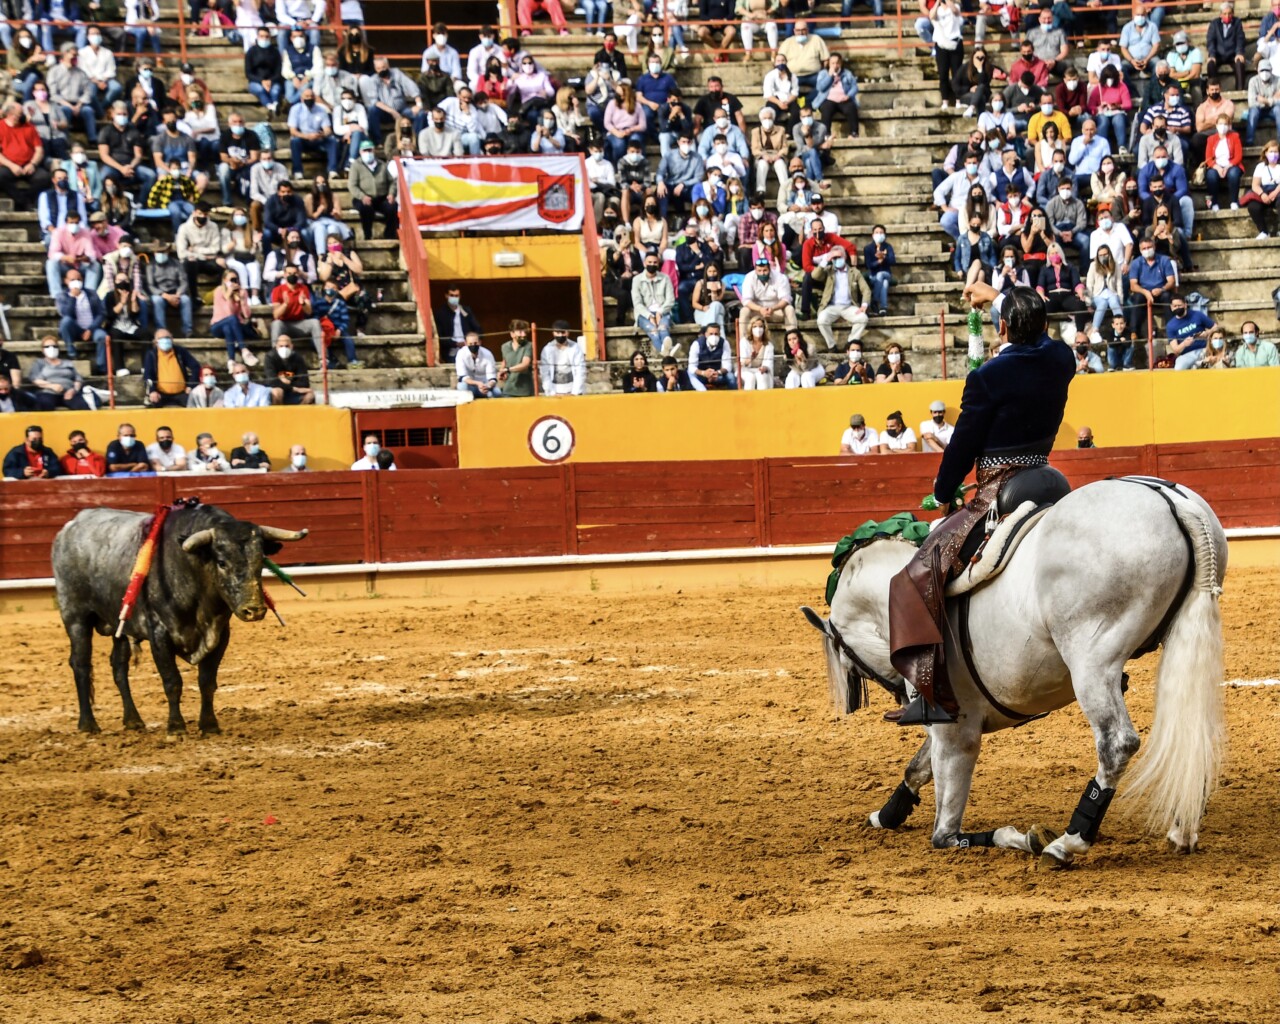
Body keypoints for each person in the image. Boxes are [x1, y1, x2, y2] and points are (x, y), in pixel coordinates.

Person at [888, 285, 1073, 724]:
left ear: (1003, 326)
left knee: (914, 576)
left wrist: (942, 488)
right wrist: (1001, 299)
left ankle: (932, 690)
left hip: (999, 488)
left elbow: (964, 445)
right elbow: (1038, 338)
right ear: (1045, 326)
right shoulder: (1062, 358)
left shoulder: (987, 376)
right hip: (1049, 480)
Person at [0, 100, 54, 211]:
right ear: (11, 115)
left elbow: (39, 150)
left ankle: (25, 201)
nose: (24, 116)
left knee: (44, 177)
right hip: (8, 165)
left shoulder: (29, 127)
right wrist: (12, 166)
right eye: (20, 114)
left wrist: (32, 164)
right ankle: (24, 203)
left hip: (29, 164)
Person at [815, 247, 871, 351]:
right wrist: (826, 260)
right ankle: (831, 345)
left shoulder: (854, 272)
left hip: (849, 306)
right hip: (831, 306)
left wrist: (864, 305)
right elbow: (815, 276)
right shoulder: (828, 270)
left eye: (839, 257)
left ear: (845, 257)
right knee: (821, 320)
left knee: (863, 318)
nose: (837, 260)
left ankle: (850, 343)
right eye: (834, 257)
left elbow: (866, 290)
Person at [348, 140, 399, 240]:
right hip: (363, 197)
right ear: (360, 152)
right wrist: (362, 196)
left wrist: (391, 193)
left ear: (374, 151)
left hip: (381, 197)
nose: (368, 153)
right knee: (365, 209)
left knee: (392, 207)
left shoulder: (382, 165)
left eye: (369, 150)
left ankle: (389, 234)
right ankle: (368, 235)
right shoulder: (356, 166)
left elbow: (392, 182)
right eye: (365, 150)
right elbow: (352, 185)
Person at [270, 265, 323, 360]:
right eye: (289, 273)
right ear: (285, 275)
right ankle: (275, 358)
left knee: (314, 322)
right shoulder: (277, 290)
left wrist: (303, 303)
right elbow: (276, 314)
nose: (292, 275)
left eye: (294, 273)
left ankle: (323, 359)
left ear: (298, 274)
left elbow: (309, 312)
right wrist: (285, 304)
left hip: (300, 324)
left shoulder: (303, 289)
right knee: (276, 324)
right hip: (284, 324)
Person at [145, 240, 193, 339]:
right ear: (154, 253)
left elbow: (183, 281)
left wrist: (178, 294)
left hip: (176, 292)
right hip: (160, 294)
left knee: (186, 300)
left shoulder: (176, 263)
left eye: (162, 252)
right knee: (157, 301)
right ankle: (161, 330)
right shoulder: (150, 266)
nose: (160, 254)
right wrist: (165, 296)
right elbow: (150, 285)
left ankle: (187, 330)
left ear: (167, 252)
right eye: (158, 252)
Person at [740, 255, 797, 338]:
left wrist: (773, 308)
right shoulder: (749, 277)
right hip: (757, 311)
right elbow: (746, 300)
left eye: (765, 270)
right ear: (755, 270)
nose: (762, 273)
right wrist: (760, 309)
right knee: (744, 311)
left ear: (769, 269)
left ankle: (793, 340)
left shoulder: (780, 277)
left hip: (775, 311)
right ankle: (744, 343)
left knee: (790, 309)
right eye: (759, 271)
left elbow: (786, 299)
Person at [632, 252, 676, 355]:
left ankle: (665, 353)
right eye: (649, 262)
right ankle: (667, 354)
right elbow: (637, 303)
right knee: (653, 331)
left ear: (658, 264)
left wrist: (660, 312)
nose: (652, 264)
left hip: (663, 311)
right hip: (644, 314)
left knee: (663, 328)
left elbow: (670, 300)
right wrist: (650, 316)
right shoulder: (637, 280)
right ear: (644, 263)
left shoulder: (665, 278)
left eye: (655, 262)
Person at [142, 331, 200, 407]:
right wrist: (152, 391)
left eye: (167, 337)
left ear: (172, 339)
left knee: (194, 404)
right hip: (160, 394)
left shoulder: (180, 351)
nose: (165, 340)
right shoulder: (151, 354)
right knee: (151, 404)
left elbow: (196, 367)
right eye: (161, 338)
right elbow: (148, 375)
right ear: (156, 341)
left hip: (182, 393)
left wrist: (190, 386)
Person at [1202, 113, 1243, 211]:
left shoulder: (1235, 136)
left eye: (1225, 124)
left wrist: (1228, 166)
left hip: (1231, 164)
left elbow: (1238, 156)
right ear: (1216, 125)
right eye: (1220, 124)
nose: (1222, 126)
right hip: (1216, 165)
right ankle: (1214, 203)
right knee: (1211, 176)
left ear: (1229, 126)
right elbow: (1208, 158)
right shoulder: (1211, 139)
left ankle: (1233, 201)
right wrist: (1217, 167)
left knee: (1233, 174)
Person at [1165, 294, 1214, 370]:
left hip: (1204, 349)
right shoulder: (1170, 325)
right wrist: (1184, 344)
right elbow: (1176, 350)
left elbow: (1216, 327)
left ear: (1185, 305)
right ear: (1171, 307)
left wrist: (1207, 333)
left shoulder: (1197, 315)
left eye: (1179, 305)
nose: (1177, 308)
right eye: (1175, 306)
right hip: (1186, 355)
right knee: (1178, 369)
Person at [1206, 2, 1246, 91]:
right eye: (1224, 14)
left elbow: (1240, 38)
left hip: (1232, 54)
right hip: (1218, 55)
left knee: (1240, 63)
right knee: (1210, 64)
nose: (1227, 16)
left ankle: (1240, 90)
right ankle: (1213, 89)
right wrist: (1212, 55)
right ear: (1220, 14)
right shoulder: (1214, 24)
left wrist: (1239, 53)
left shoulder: (1237, 22)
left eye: (1229, 13)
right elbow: (1210, 40)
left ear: (1232, 14)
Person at [540, 321, 586, 396]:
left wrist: (575, 392)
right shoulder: (547, 349)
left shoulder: (576, 348)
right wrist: (551, 393)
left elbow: (580, 370)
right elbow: (545, 373)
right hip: (554, 390)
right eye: (558, 333)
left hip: (572, 389)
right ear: (553, 333)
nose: (560, 335)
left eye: (563, 332)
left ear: (568, 332)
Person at [263, 337, 314, 405]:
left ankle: (297, 414)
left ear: (292, 346)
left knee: (310, 395)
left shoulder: (298, 358)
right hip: (278, 391)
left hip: (291, 393)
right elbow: (272, 381)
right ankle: (279, 415)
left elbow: (304, 382)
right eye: (281, 346)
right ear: (276, 346)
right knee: (277, 391)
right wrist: (294, 388)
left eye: (287, 346)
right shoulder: (270, 357)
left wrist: (287, 382)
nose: (284, 348)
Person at [435, 287, 482, 359]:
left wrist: (472, 341)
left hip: (468, 348)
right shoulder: (441, 314)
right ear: (446, 296)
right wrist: (455, 344)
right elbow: (440, 336)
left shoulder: (466, 311)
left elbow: (477, 328)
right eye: (452, 295)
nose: (454, 298)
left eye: (456, 296)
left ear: (460, 296)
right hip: (451, 351)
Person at [686, 323, 736, 391]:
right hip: (701, 375)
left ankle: (734, 398)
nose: (714, 336)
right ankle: (702, 391)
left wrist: (717, 373)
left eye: (716, 334)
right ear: (706, 334)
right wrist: (704, 373)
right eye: (711, 334)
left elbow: (727, 366)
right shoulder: (697, 344)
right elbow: (691, 367)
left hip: (717, 375)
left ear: (719, 334)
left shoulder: (724, 343)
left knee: (731, 377)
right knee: (690, 373)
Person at [455, 332, 500, 398]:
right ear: (465, 343)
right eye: (470, 344)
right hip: (470, 385)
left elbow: (492, 378)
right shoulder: (461, 354)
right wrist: (478, 383)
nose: (473, 345)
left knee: (497, 393)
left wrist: (487, 386)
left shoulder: (487, 354)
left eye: (475, 343)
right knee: (462, 386)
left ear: (480, 342)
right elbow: (462, 377)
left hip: (485, 385)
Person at [1246, 60, 1280, 147]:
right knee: (1253, 112)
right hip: (1258, 110)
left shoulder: (1278, 80)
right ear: (1257, 70)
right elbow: (1252, 103)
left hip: (1273, 110)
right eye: (1262, 70)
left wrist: (1265, 101)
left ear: (1271, 70)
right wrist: (1272, 100)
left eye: (1267, 70)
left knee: (1278, 110)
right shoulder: (1253, 81)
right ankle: (1249, 141)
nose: (1265, 72)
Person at [499, 321, 534, 397]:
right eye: (520, 332)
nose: (523, 335)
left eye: (525, 332)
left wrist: (508, 369)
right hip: (508, 389)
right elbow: (504, 361)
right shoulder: (505, 346)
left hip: (525, 390)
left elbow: (525, 364)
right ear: (512, 334)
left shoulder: (529, 345)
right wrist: (501, 371)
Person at [738, 318, 774, 390]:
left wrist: (764, 368)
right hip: (746, 370)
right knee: (750, 377)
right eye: (755, 326)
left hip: (760, 370)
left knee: (761, 376)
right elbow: (742, 362)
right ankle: (748, 400)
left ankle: (762, 400)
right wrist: (751, 358)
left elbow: (768, 363)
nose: (758, 329)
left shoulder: (769, 345)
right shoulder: (744, 342)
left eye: (761, 326)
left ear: (764, 329)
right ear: (751, 328)